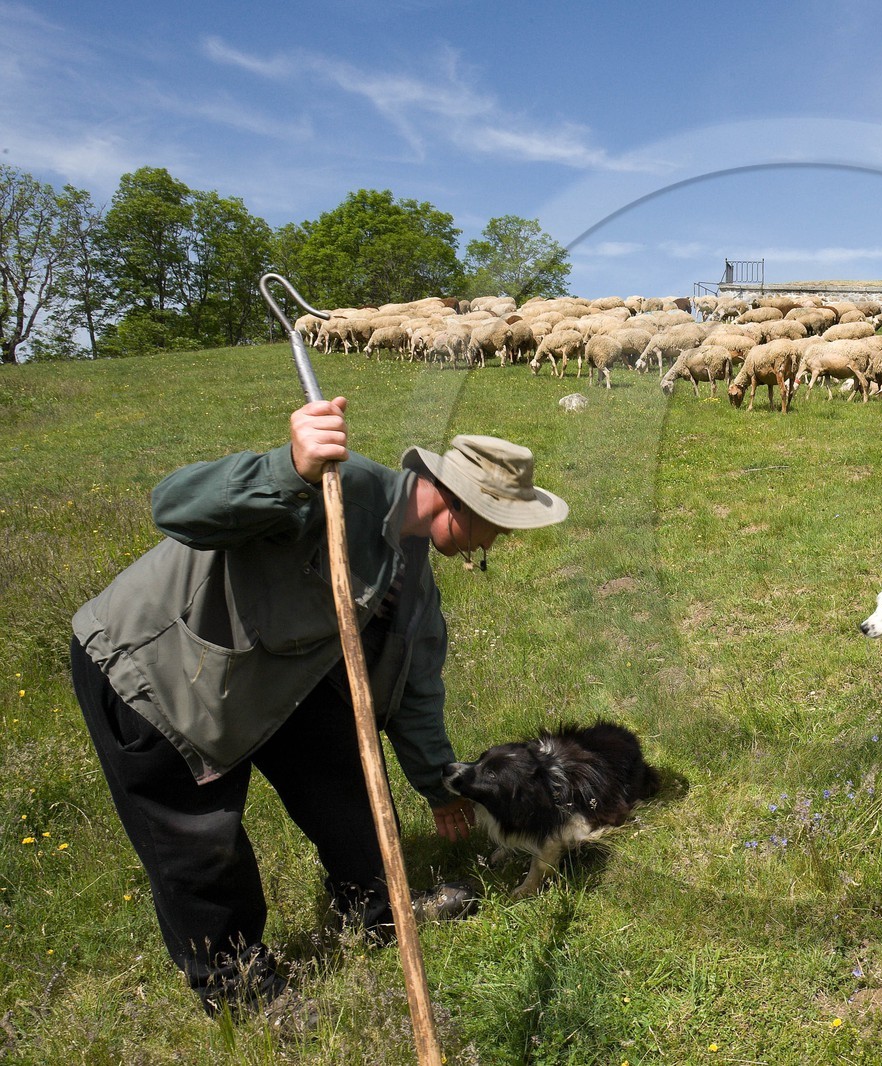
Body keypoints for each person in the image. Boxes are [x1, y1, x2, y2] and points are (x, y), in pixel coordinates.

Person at [68, 397, 568, 1019]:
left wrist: (443, 785)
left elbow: (416, 691)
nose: (500, 541)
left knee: (347, 775)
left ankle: (376, 912)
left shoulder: (414, 580)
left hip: (278, 670)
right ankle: (240, 991)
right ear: (461, 506)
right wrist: (286, 471)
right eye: (501, 526)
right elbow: (174, 504)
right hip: (161, 665)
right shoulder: (333, 484)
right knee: (199, 842)